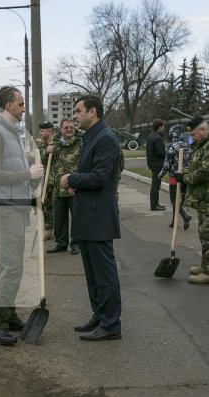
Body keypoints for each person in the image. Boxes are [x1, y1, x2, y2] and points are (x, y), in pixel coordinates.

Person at [0, 85, 44, 346]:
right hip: (5, 207)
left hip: (16, 206)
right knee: (11, 266)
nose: (23, 108)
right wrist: (27, 175)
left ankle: (7, 314)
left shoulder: (13, 134)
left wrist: (29, 169)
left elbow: (13, 168)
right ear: (8, 105)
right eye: (20, 104)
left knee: (8, 264)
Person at [59, 94, 122, 341]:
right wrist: (77, 185)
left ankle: (111, 324)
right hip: (87, 216)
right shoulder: (91, 137)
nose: (75, 116)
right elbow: (91, 173)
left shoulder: (106, 138)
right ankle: (99, 315)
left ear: (92, 112)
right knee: (93, 273)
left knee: (104, 274)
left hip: (98, 218)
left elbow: (100, 177)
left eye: (78, 111)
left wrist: (71, 179)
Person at [175, 116, 209, 284]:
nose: (193, 138)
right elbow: (197, 166)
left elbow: (206, 172)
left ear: (203, 130)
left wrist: (185, 178)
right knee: (205, 235)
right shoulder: (204, 145)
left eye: (194, 135)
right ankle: (206, 266)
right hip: (204, 199)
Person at [47, 118, 82, 255]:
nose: (69, 130)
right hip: (58, 189)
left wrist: (76, 185)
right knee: (59, 219)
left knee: (77, 218)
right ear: (61, 129)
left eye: (71, 128)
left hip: (74, 188)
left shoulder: (80, 144)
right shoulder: (54, 144)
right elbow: (42, 159)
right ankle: (61, 243)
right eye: (66, 127)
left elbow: (84, 165)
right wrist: (47, 151)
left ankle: (76, 244)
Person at [158, 124, 192, 230]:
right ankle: (174, 221)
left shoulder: (172, 146)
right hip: (185, 177)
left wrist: (160, 174)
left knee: (173, 200)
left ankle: (185, 216)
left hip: (174, 176)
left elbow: (167, 163)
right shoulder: (188, 145)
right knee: (180, 200)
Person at [38, 121, 56, 241]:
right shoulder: (42, 146)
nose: (40, 133)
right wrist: (46, 152)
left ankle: (60, 232)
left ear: (49, 131)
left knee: (59, 207)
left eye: (42, 131)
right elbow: (40, 160)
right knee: (46, 205)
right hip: (46, 180)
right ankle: (49, 230)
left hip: (58, 180)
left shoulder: (59, 143)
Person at [146, 119, 167, 211]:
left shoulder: (151, 136)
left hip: (152, 163)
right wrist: (167, 152)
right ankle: (154, 205)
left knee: (156, 185)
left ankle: (156, 203)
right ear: (159, 127)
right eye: (162, 126)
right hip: (157, 164)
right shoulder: (157, 138)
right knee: (155, 186)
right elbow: (160, 153)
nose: (163, 128)